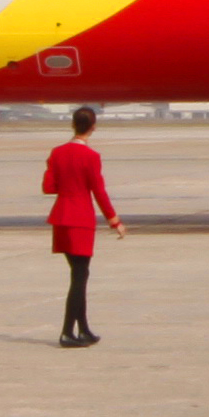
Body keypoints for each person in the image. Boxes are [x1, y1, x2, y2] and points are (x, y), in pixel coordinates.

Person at [41, 107, 123, 347]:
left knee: (79, 274)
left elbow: (48, 187)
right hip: (80, 219)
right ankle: (67, 331)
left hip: (61, 217)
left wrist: (56, 171)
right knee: (79, 277)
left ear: (73, 125)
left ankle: (83, 328)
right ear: (93, 127)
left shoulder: (57, 152)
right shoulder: (91, 156)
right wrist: (114, 220)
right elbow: (99, 191)